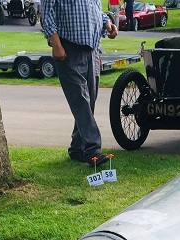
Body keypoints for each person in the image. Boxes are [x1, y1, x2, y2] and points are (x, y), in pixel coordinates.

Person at [41, 0, 118, 164]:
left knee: (89, 99)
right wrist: (56, 44)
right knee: (80, 100)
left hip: (92, 49)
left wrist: (107, 23)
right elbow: (47, 16)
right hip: (68, 48)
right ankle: (93, 149)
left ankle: (77, 148)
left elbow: (96, 12)